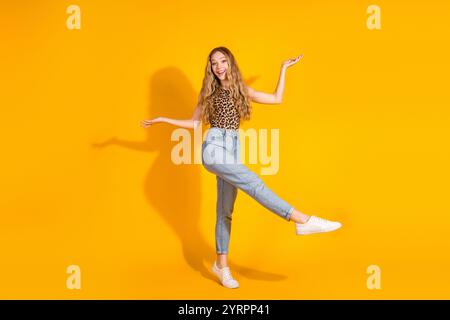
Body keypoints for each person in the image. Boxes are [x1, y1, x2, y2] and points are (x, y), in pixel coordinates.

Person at [141, 46, 342, 289]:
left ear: (230, 63)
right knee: (254, 183)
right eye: (214, 63)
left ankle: (221, 266)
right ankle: (300, 219)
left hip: (233, 148)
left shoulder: (241, 90)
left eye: (222, 61)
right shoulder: (208, 91)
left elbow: (276, 99)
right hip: (213, 146)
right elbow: (193, 123)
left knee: (225, 210)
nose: (218, 66)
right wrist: (163, 119)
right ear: (210, 68)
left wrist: (283, 69)